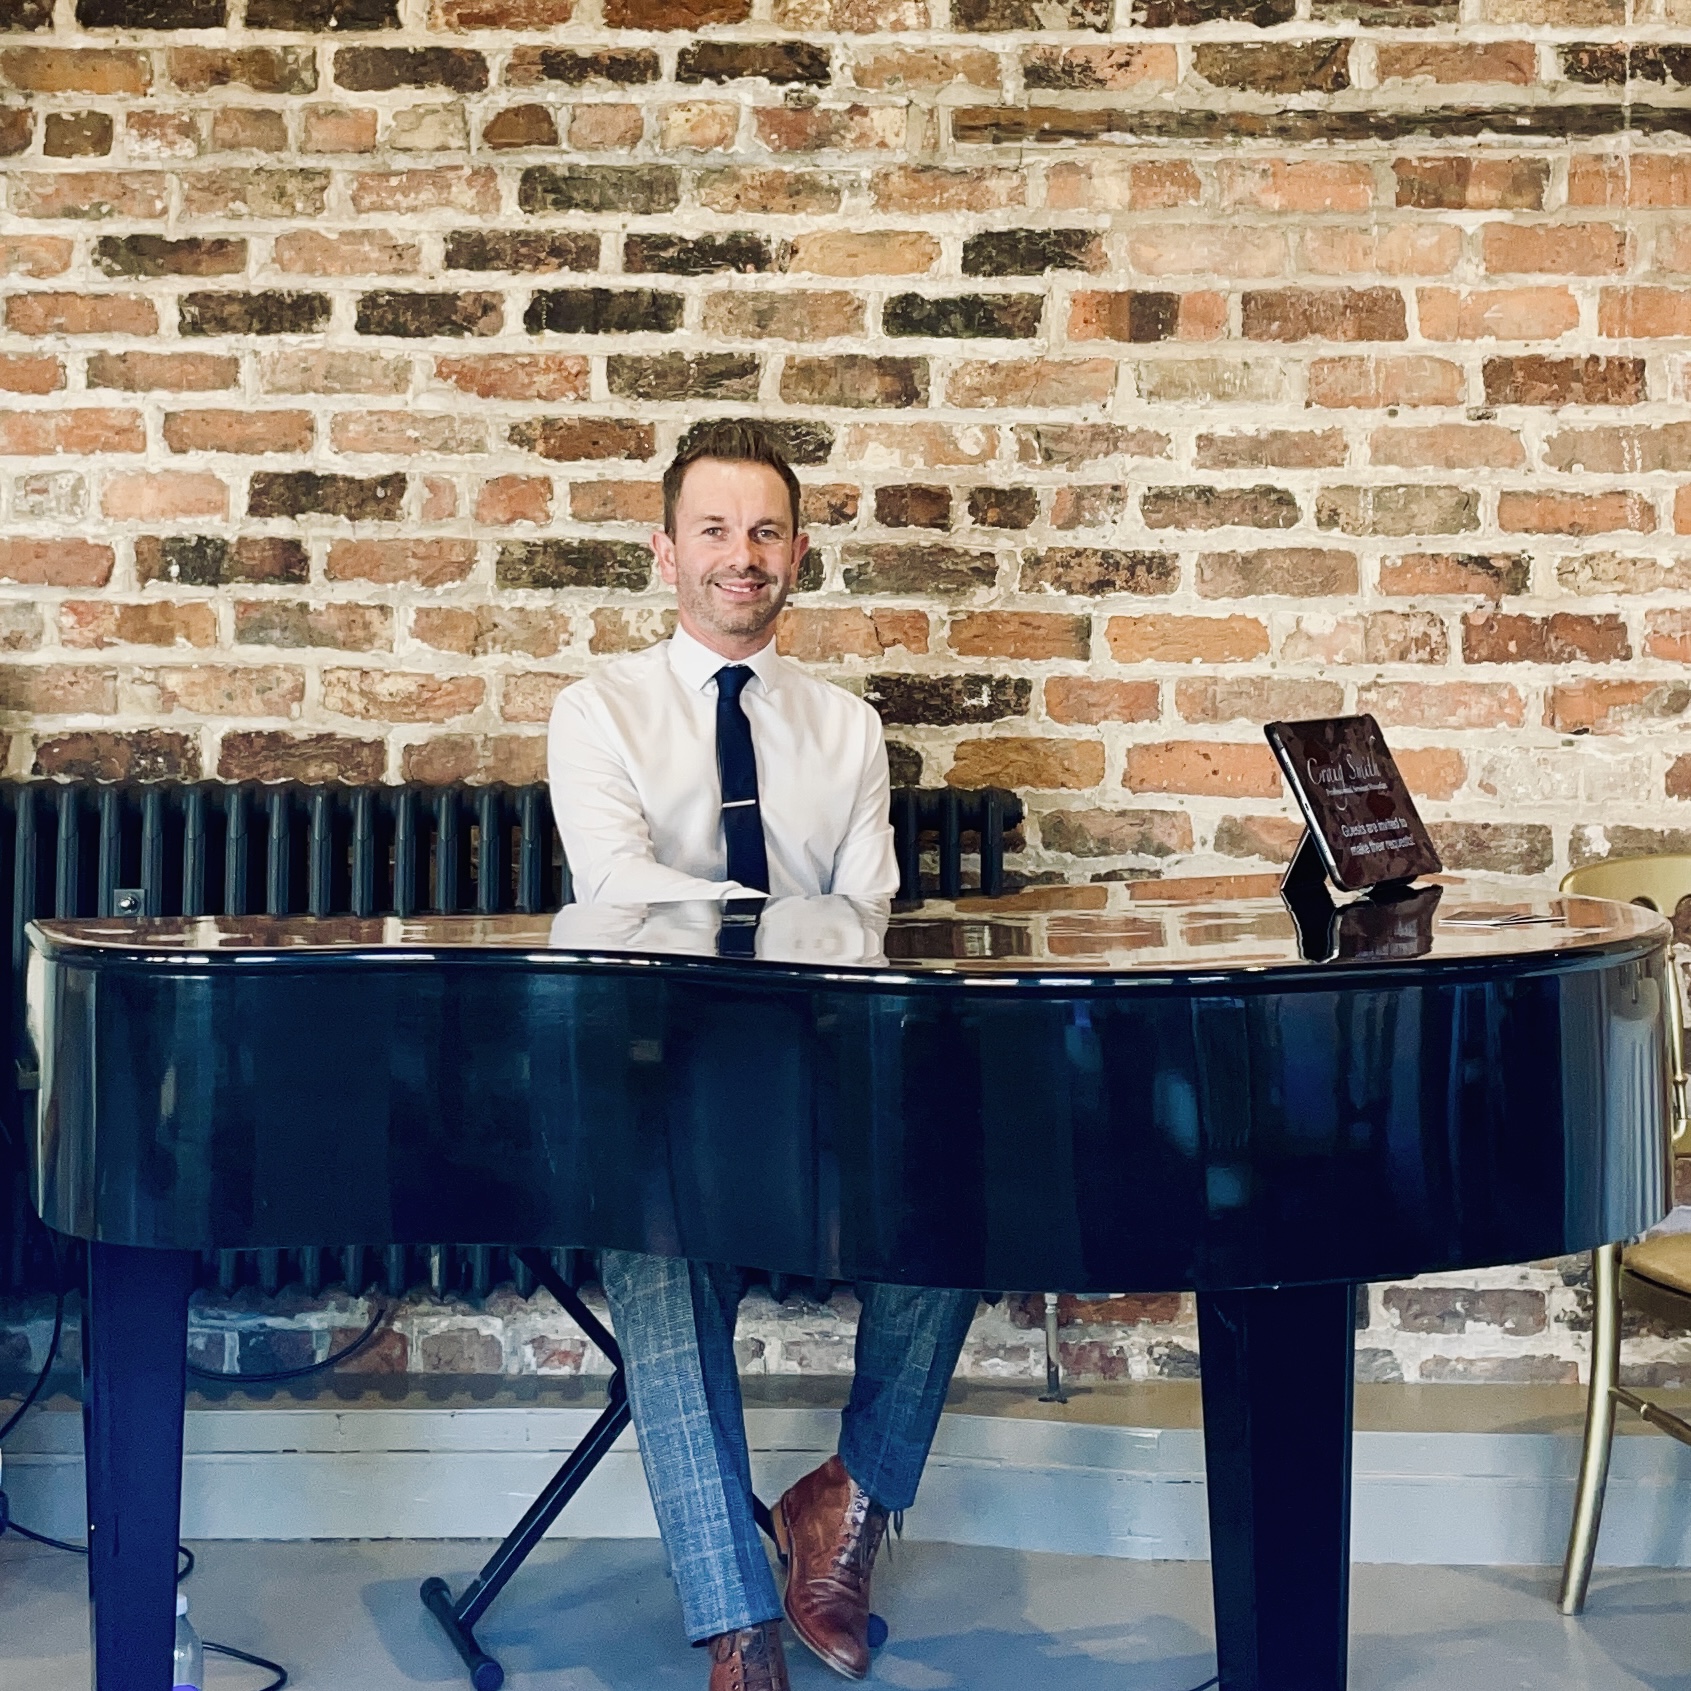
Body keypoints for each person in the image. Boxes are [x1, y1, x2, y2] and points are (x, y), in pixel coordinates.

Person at [547, 420, 979, 1691]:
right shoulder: (598, 711)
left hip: (823, 1080)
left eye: (767, 532)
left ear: (800, 553)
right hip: (664, 1084)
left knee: (961, 1203)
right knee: (651, 1245)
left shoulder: (844, 728)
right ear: (664, 550)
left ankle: (844, 1500)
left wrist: (798, 935)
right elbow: (618, 891)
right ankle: (735, 1624)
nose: (743, 556)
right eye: (715, 530)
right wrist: (787, 920)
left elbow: (872, 913)